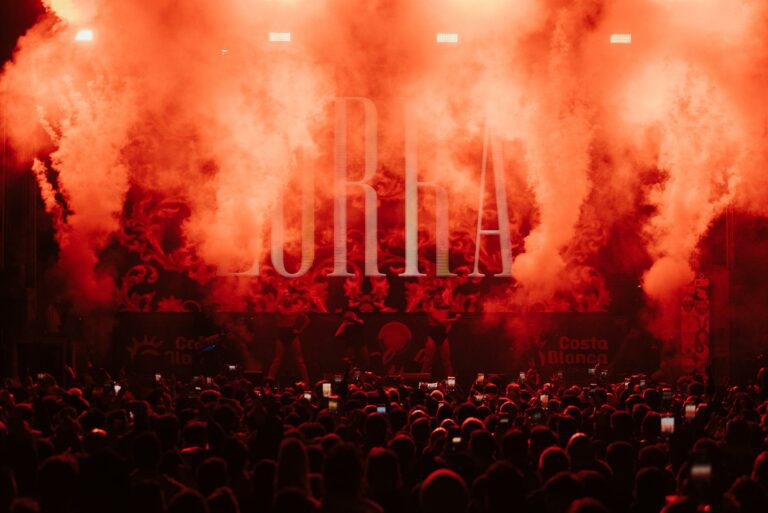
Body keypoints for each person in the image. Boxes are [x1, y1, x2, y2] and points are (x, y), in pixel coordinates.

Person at [267, 291, 310, 385]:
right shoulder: (279, 307)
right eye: (285, 297)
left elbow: (306, 320)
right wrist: (298, 311)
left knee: (299, 360)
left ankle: (306, 382)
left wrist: (299, 330)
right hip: (282, 333)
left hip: (291, 333)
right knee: (277, 359)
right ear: (283, 298)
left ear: (291, 298)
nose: (287, 298)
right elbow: (285, 314)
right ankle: (269, 382)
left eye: (289, 297)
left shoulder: (295, 308)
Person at [421, 294, 459, 377]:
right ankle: (421, 382)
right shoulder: (430, 310)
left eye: (440, 299)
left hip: (443, 335)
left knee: (447, 361)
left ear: (442, 300)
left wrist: (447, 331)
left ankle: (450, 383)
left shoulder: (445, 310)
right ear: (433, 300)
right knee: (427, 361)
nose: (438, 301)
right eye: (436, 299)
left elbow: (448, 323)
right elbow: (440, 321)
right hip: (433, 335)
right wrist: (455, 319)